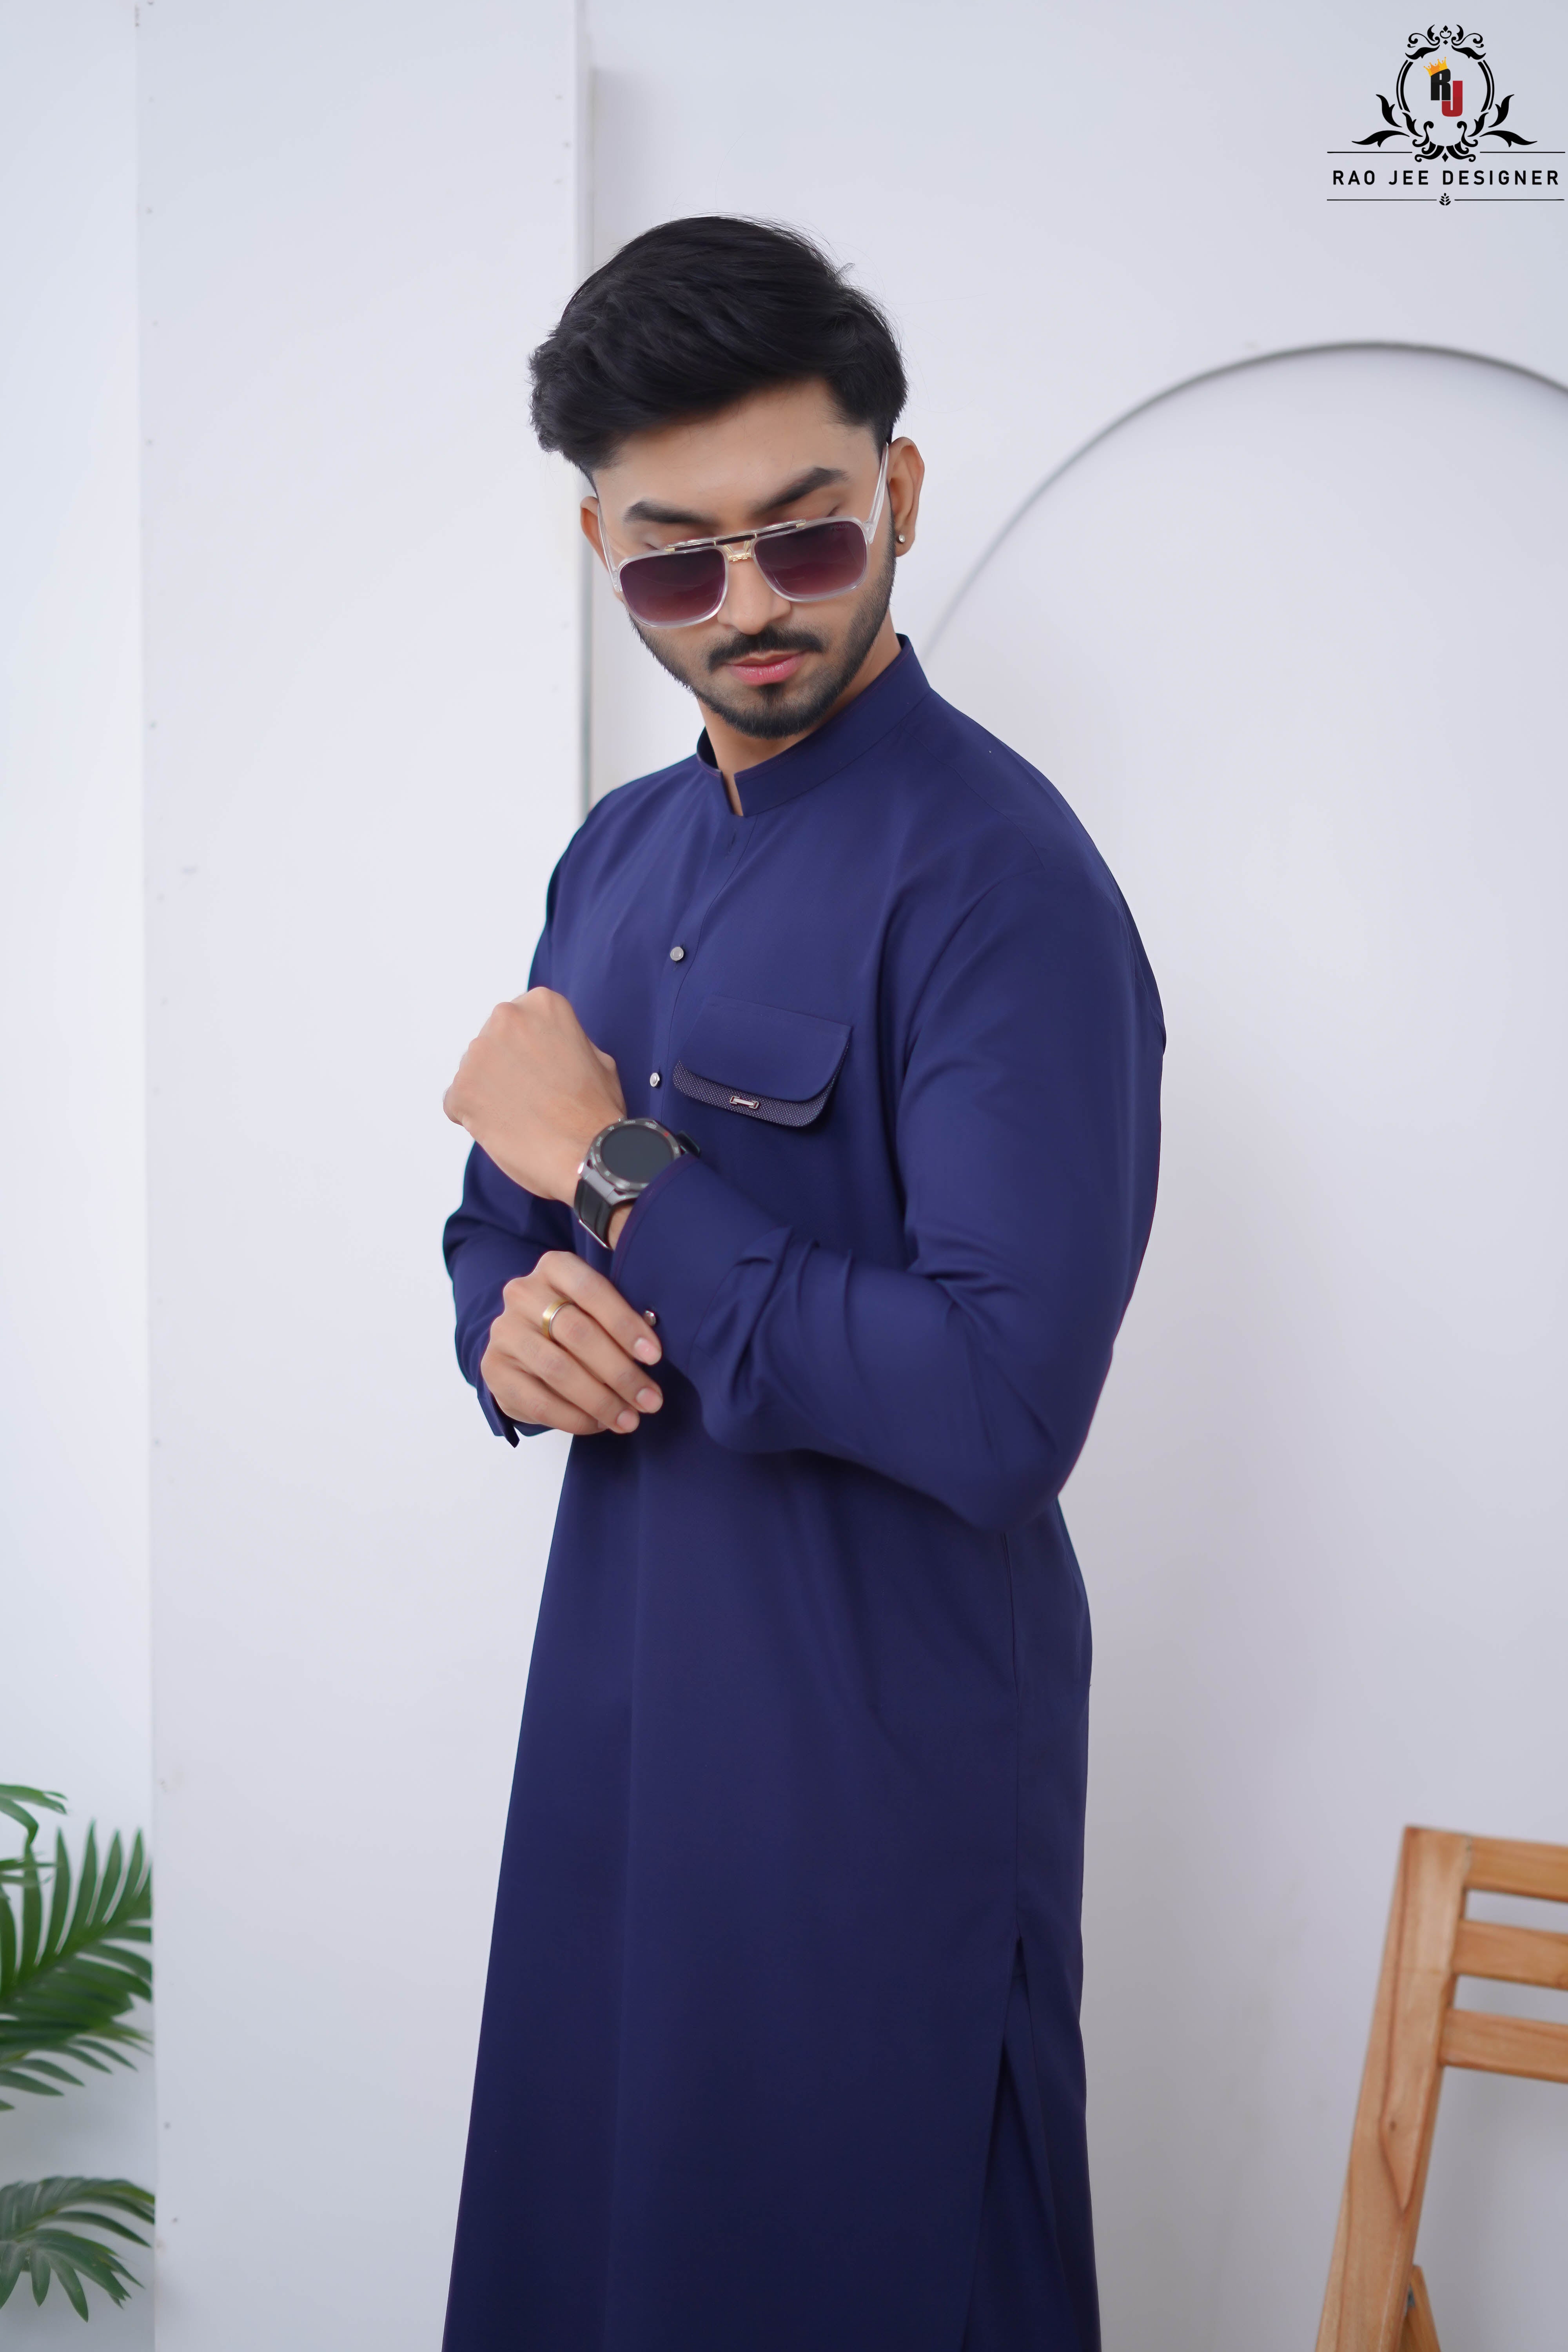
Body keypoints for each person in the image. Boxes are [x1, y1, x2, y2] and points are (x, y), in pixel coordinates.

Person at [439, 215, 1163, 2352]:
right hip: (620, 1737)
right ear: (600, 546)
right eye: (678, 562)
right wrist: (505, 1329)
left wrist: (619, 1172)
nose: (749, 604)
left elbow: (999, 1406)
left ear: (899, 493)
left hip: (874, 1779)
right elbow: (508, 1224)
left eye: (807, 534)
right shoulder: (617, 857)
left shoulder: (1004, 886)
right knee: (599, 2270)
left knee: (869, 2274)